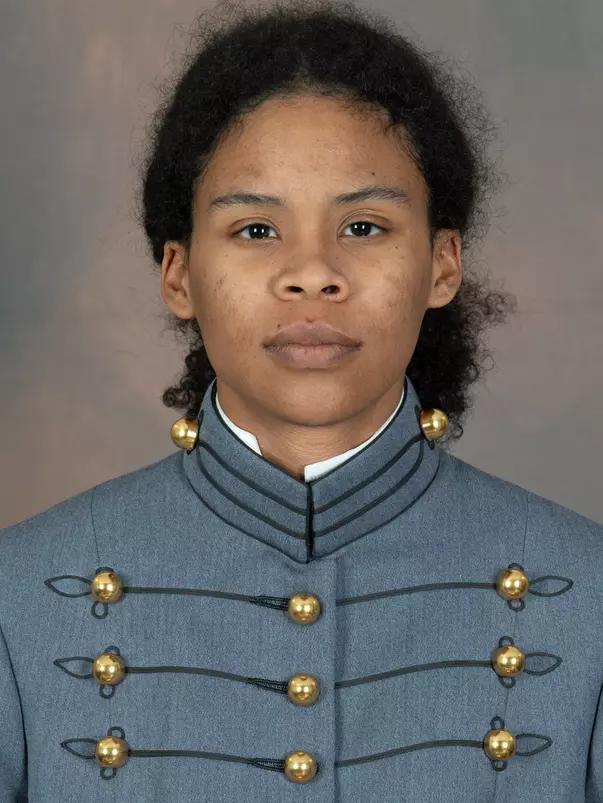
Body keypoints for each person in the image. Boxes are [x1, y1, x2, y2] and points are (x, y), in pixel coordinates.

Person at [0, 1, 601, 800]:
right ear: (178, 274)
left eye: (362, 226)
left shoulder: (587, 591)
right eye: (255, 230)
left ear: (441, 265)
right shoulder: (19, 594)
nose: (311, 272)